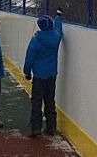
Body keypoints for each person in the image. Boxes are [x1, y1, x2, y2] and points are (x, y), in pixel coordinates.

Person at [23, 7, 64, 137]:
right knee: (50, 100)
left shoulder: (35, 41)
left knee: (36, 101)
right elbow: (58, 29)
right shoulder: (56, 37)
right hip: (51, 74)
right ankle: (51, 127)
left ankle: (36, 128)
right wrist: (58, 16)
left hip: (39, 76)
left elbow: (29, 58)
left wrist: (27, 72)